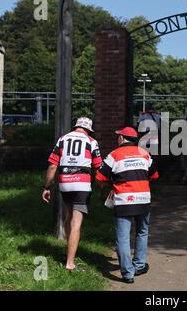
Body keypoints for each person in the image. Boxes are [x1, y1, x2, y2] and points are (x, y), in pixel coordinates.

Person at [95, 127, 159, 284]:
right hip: (143, 199)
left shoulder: (114, 155)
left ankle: (127, 274)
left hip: (124, 200)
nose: (117, 138)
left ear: (122, 139)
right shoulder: (144, 153)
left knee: (123, 237)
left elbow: (99, 177)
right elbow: (155, 175)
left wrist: (110, 184)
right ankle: (139, 265)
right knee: (142, 232)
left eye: (119, 136)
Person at [42, 117, 102, 271]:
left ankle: (69, 252)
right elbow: (98, 167)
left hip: (65, 183)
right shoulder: (91, 141)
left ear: (76, 126)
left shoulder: (62, 139)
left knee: (69, 217)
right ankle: (70, 263)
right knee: (76, 223)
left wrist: (46, 187)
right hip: (82, 184)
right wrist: (103, 187)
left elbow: (52, 166)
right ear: (88, 129)